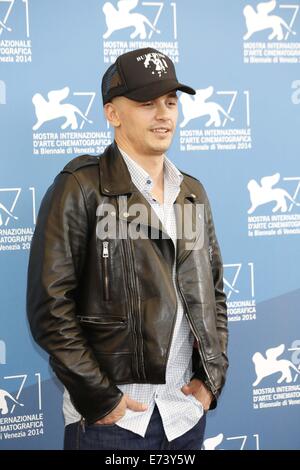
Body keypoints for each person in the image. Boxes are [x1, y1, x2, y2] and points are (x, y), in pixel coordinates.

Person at [27, 47, 228, 451]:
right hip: (113, 424)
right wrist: (102, 398)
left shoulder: (191, 193)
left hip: (183, 417)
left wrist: (211, 378)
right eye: (146, 103)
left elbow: (214, 293)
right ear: (112, 113)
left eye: (171, 102)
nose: (164, 113)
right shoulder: (81, 187)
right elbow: (50, 308)